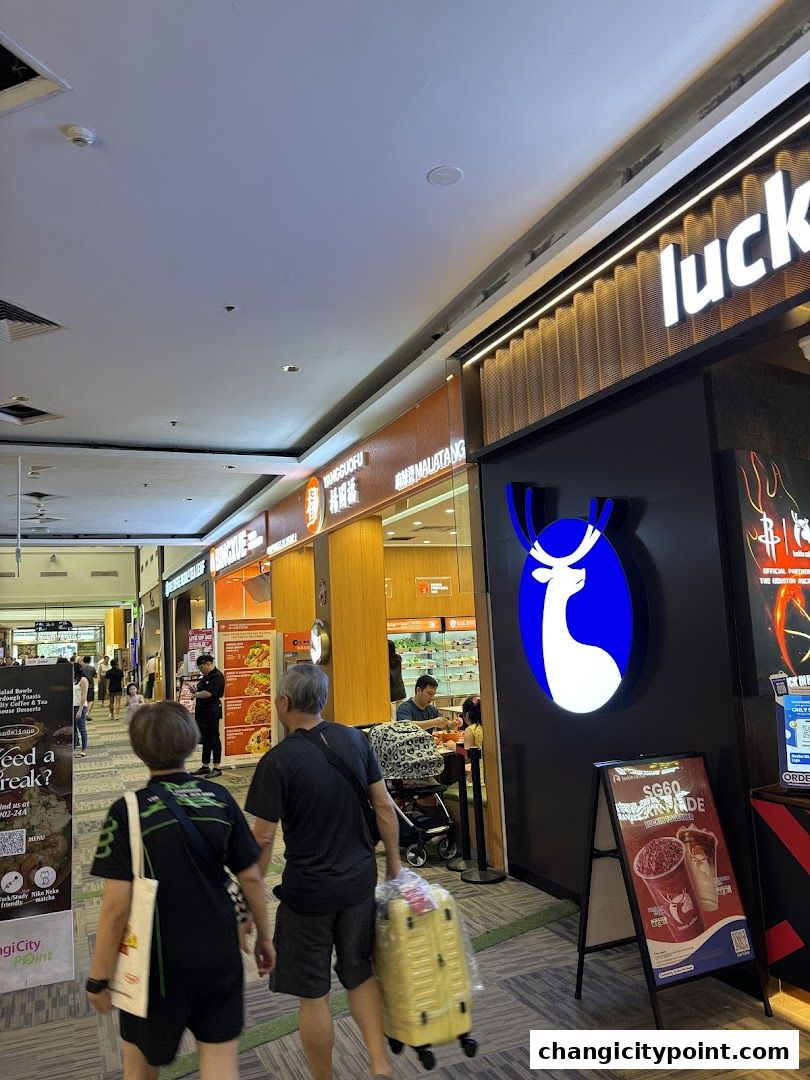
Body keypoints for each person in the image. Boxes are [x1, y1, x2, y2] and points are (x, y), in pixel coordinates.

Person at [87, 701, 274, 1079]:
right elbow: (251, 877)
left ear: (139, 749)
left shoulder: (127, 811)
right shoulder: (219, 798)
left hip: (156, 961)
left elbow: (115, 910)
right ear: (191, 743)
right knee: (221, 1061)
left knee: (140, 1062)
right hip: (219, 950)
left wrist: (98, 977)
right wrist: (265, 937)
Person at [245, 663, 401, 1080]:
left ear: (283, 703)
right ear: (323, 700)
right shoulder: (355, 739)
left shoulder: (277, 761)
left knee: (313, 995)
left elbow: (262, 839)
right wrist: (394, 866)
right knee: (360, 971)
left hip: (308, 892)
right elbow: (384, 806)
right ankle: (379, 1063)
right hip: (359, 882)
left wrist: (251, 891)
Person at [192, 654, 225, 779]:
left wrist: (196, 695)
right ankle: (205, 765)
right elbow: (201, 691)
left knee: (214, 737)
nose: (201, 670)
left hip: (211, 710)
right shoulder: (206, 676)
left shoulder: (217, 676)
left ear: (208, 664)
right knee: (205, 738)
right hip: (202, 711)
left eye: (202, 667)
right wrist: (196, 692)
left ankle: (217, 767)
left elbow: (207, 694)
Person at [73, 661, 89, 757]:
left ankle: (83, 749)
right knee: (73, 730)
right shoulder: (73, 679)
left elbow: (84, 695)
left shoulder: (83, 680)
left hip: (80, 706)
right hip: (72, 706)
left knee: (81, 729)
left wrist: (80, 710)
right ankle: (73, 749)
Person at [388, 640, 406, 722]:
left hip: (391, 694)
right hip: (400, 692)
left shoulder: (385, 661)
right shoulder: (398, 659)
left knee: (392, 719)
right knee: (402, 718)